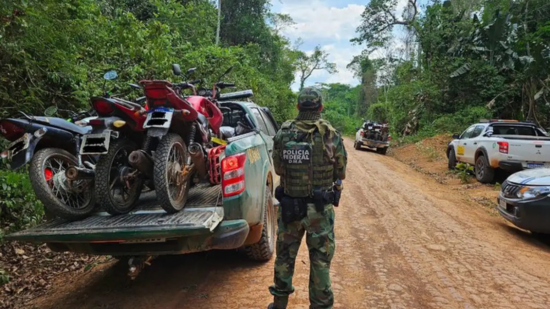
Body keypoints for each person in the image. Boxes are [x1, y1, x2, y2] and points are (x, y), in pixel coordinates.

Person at [268, 87, 347, 309]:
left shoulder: (284, 133)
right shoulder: (330, 135)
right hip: (320, 210)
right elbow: (340, 172)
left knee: (284, 257)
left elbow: (279, 169)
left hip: (291, 207)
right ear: (320, 107)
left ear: (298, 107)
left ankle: (279, 303)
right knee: (320, 260)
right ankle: (321, 306)